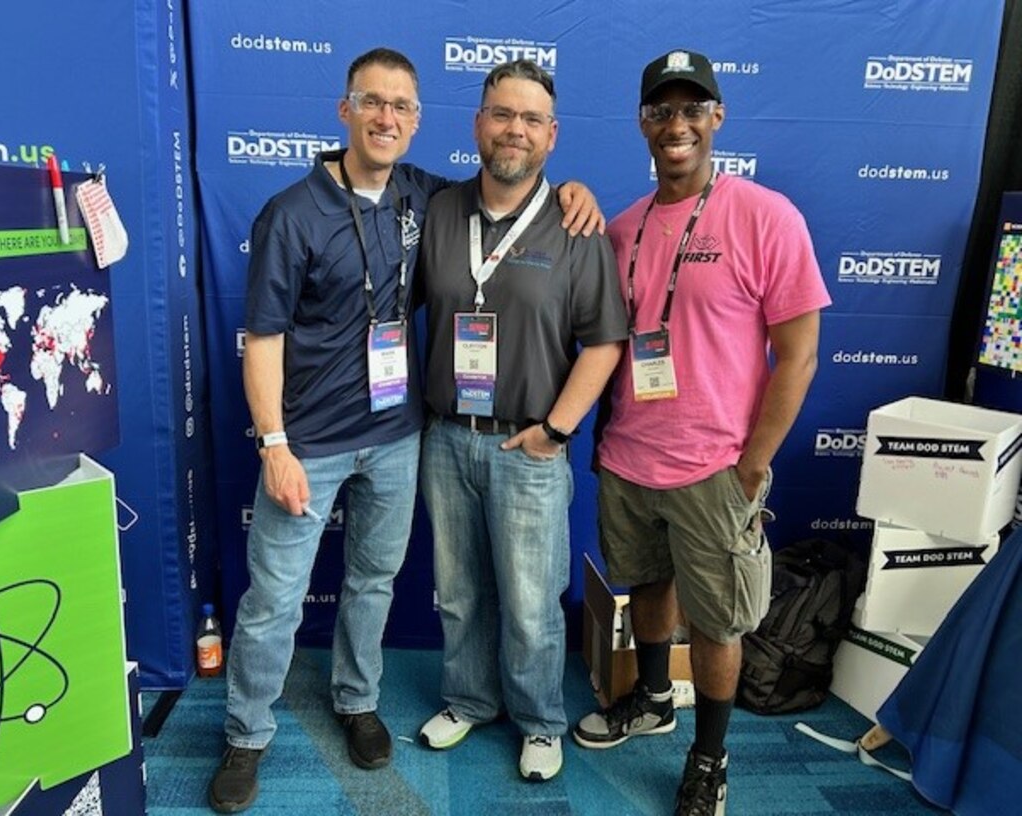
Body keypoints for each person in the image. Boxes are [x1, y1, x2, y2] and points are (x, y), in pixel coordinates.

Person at [208, 47, 602, 814]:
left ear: (419, 121)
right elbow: (262, 339)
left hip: (396, 437)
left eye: (402, 107)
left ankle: (357, 702)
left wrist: (572, 191)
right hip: (308, 446)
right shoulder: (291, 213)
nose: (387, 118)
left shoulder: (427, 198)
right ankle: (245, 736)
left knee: (372, 583)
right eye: (373, 102)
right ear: (345, 111)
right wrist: (275, 443)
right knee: (274, 602)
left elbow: (511, 186)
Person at [571, 49, 831, 816]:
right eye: (660, 111)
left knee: (717, 621)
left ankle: (710, 758)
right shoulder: (622, 228)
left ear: (717, 118)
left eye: (692, 109)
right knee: (646, 585)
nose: (676, 124)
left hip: (716, 468)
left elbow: (800, 354)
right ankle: (651, 697)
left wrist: (752, 467)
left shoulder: (766, 216)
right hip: (627, 459)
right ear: (643, 123)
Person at [416, 59, 628, 783]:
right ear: (478, 124)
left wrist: (558, 431)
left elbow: (604, 343)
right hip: (446, 439)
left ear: (552, 135)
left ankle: (540, 721)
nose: (515, 130)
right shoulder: (438, 210)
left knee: (533, 602)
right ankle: (470, 699)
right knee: (460, 591)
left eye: (531, 119)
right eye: (502, 114)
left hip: (530, 446)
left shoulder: (577, 226)